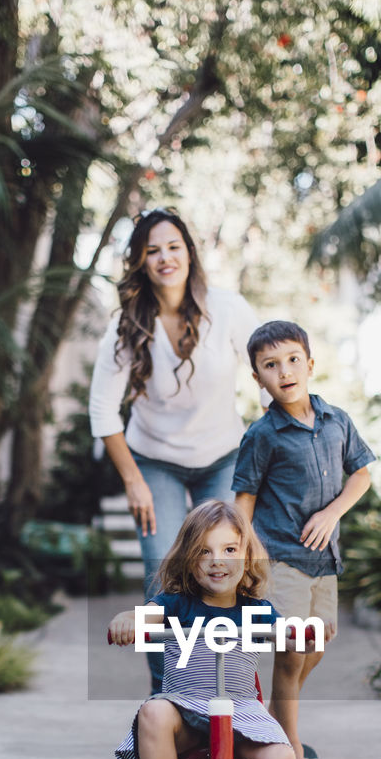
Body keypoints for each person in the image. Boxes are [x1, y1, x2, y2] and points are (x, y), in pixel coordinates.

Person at [108, 500, 319, 759]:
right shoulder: (177, 605)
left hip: (242, 714)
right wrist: (129, 621)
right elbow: (147, 616)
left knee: (282, 757)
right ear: (188, 560)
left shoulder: (258, 611)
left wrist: (296, 634)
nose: (216, 560)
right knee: (153, 711)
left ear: (246, 556)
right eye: (204, 551)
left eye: (228, 549)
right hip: (185, 709)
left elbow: (287, 629)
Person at [89, 206, 261, 600]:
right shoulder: (125, 325)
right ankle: (170, 666)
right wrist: (133, 481)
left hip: (222, 457)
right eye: (153, 250)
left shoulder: (228, 308)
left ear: (189, 252)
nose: (165, 257)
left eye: (173, 246)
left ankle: (220, 664)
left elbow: (267, 376)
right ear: (140, 262)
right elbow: (102, 408)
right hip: (154, 461)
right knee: (163, 577)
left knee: (224, 571)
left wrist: (266, 452)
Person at [232, 320, 375, 759]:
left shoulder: (337, 421)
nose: (284, 371)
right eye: (270, 365)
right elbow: (244, 499)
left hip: (324, 559)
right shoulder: (263, 435)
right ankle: (287, 744)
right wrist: (243, 556)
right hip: (281, 558)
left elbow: (362, 475)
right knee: (292, 649)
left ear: (310, 364)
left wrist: (333, 513)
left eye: (293, 360)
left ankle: (274, 715)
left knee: (316, 645)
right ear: (258, 379)